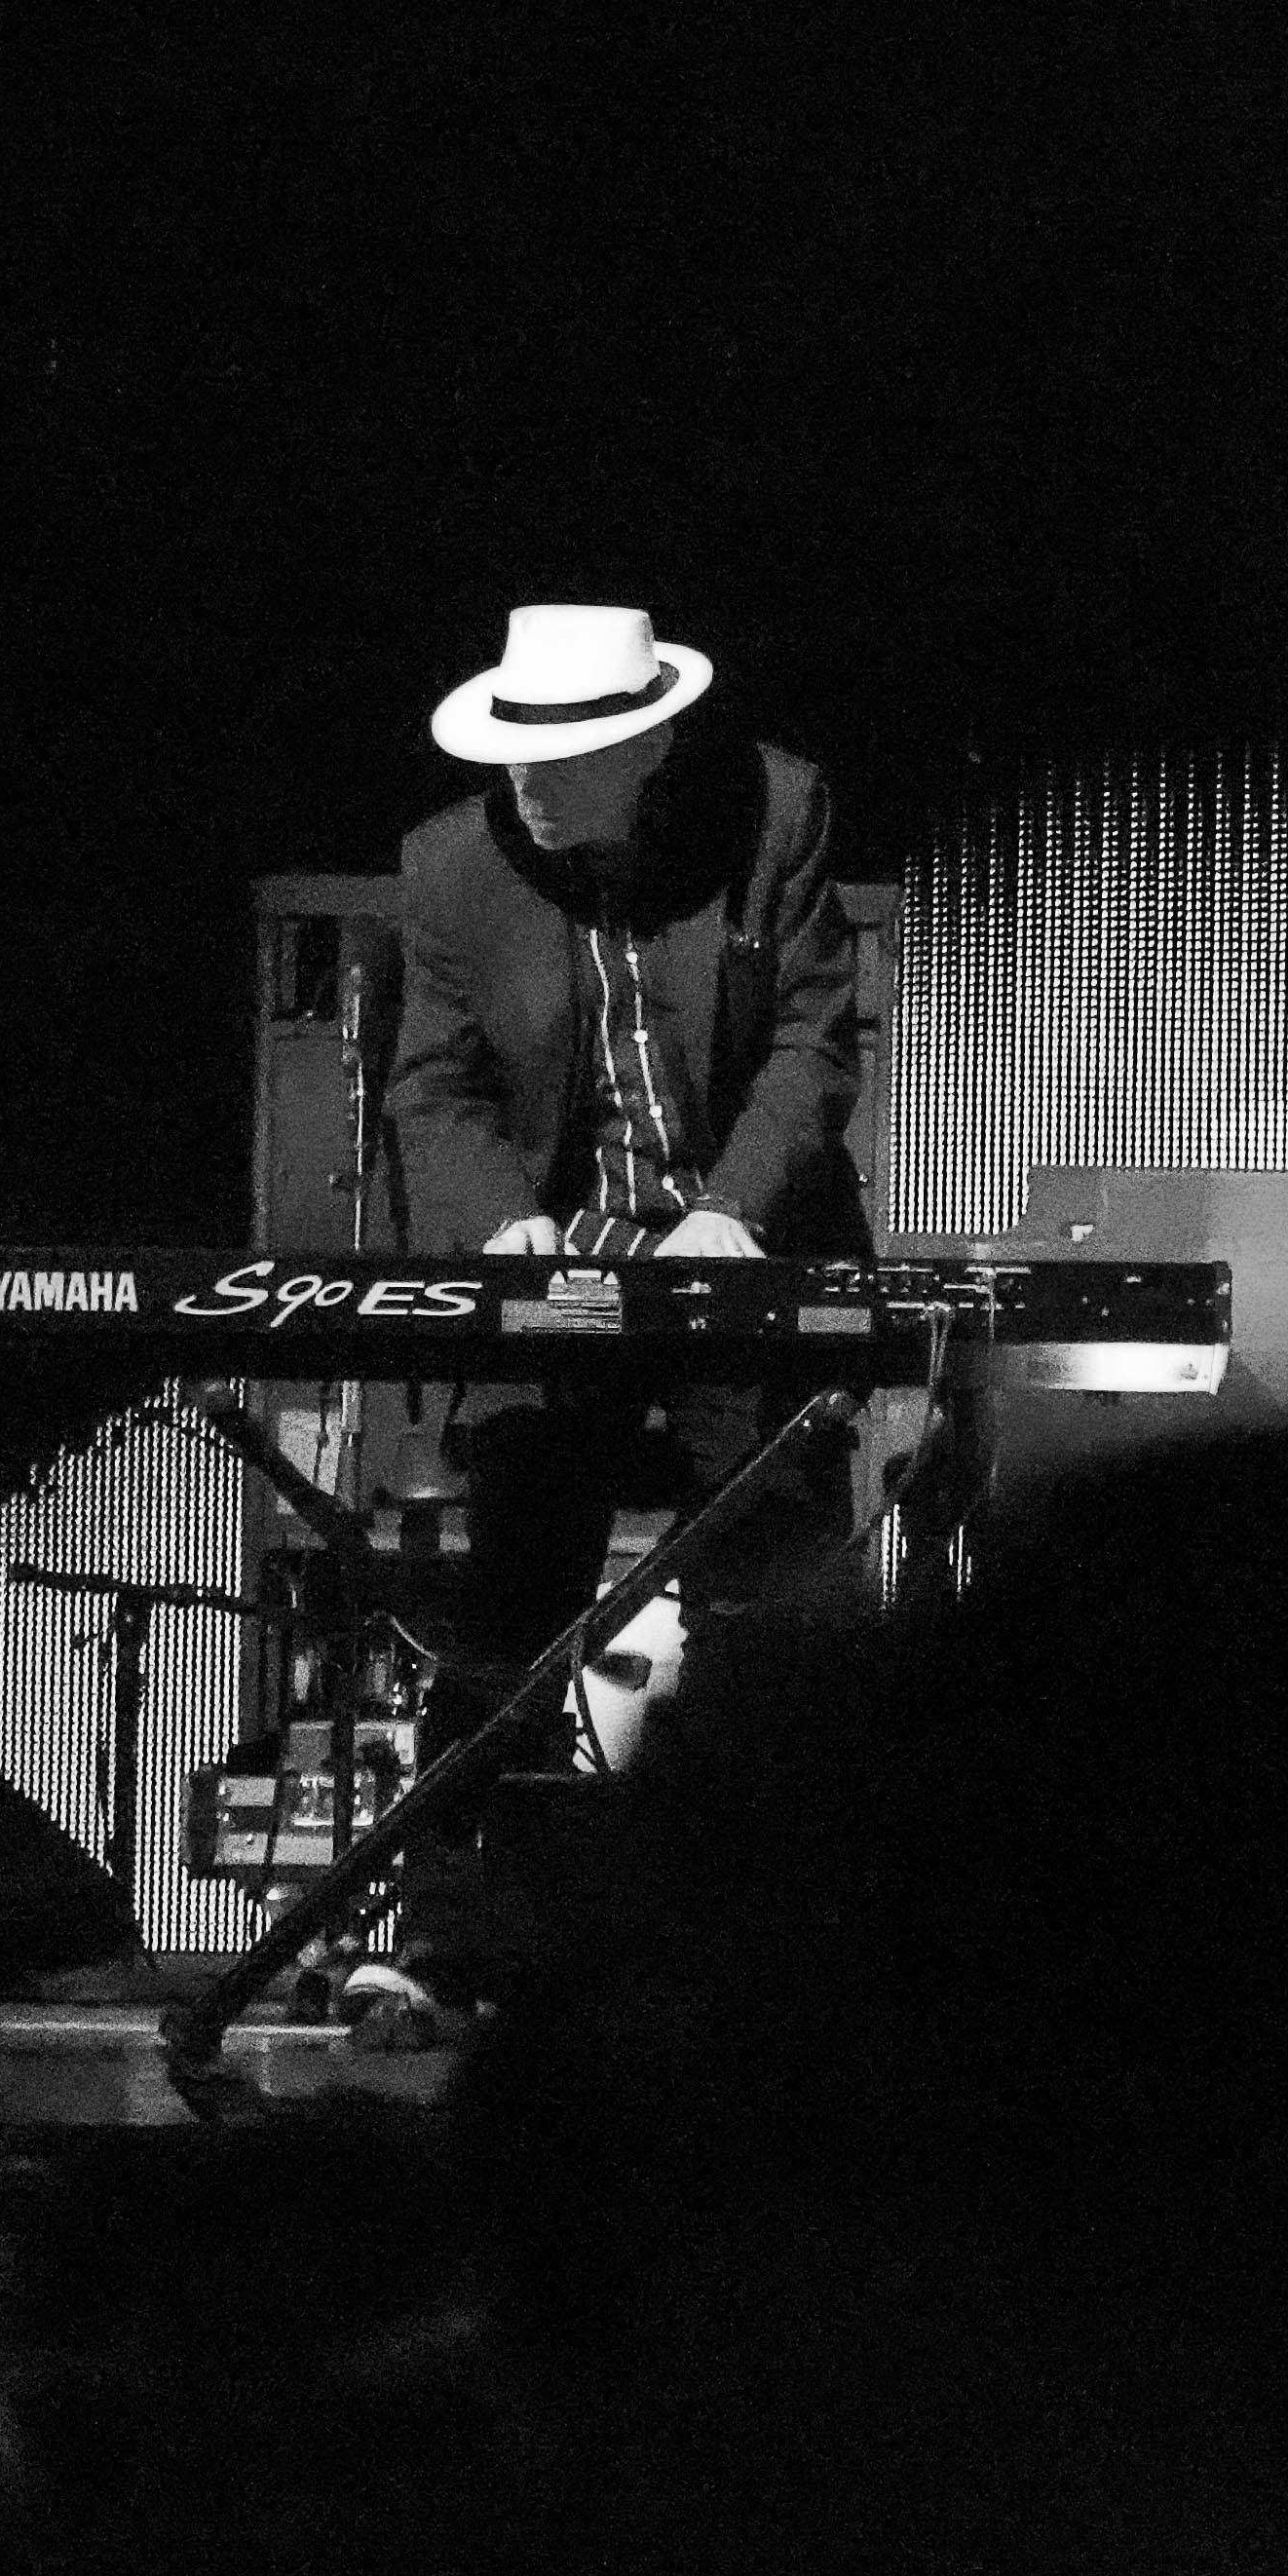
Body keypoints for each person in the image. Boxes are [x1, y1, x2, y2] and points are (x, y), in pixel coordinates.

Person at [383, 604, 873, 1737]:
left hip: (740, 1259)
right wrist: (502, 1220)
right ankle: (477, 1883)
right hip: (568, 1262)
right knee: (512, 1616)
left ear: (649, 747)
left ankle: (749, 1876)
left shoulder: (774, 811)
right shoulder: (451, 864)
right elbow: (436, 1089)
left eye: (559, 758)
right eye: (514, 749)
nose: (527, 782)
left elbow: (813, 1041)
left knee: (770, 1617)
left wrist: (729, 1211)